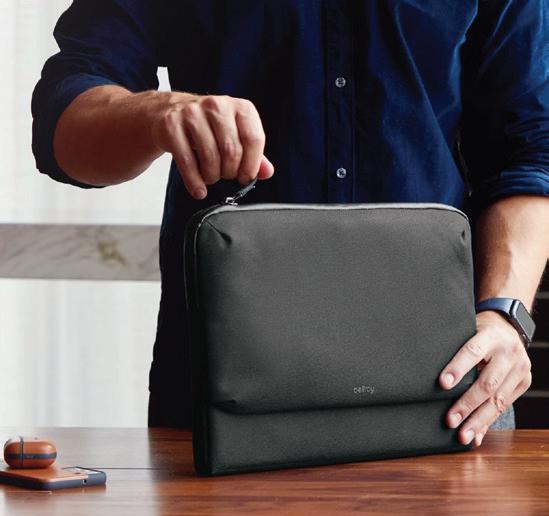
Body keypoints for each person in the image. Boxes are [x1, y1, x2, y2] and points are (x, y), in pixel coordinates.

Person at [32, 1, 549, 446]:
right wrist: (155, 113)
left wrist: (506, 314)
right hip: (226, 383)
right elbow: (62, 127)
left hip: (452, 382)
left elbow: (531, 149)